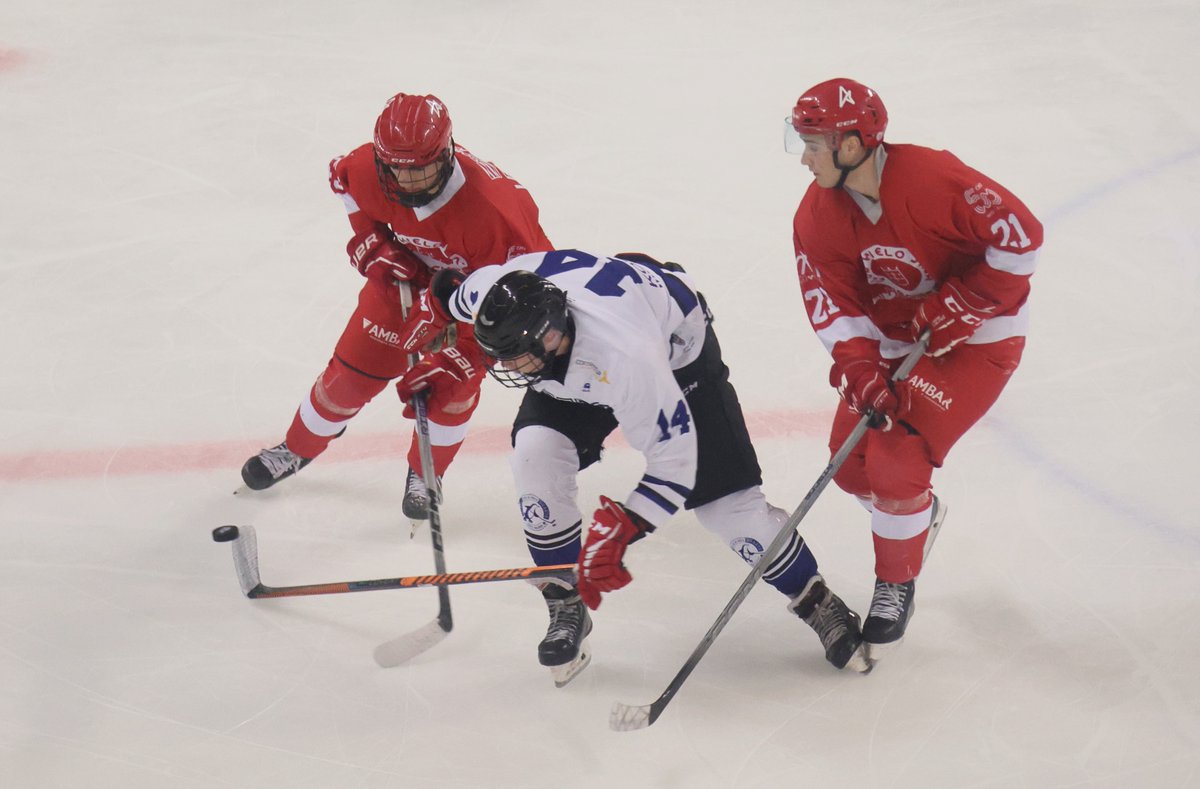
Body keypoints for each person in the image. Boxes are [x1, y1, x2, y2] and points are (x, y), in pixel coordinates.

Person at [395, 249, 869, 686]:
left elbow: (674, 463)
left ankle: (816, 601)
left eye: (518, 357)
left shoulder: (630, 358)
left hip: (677, 361)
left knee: (729, 512)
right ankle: (565, 601)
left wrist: (624, 529)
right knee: (534, 456)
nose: (513, 368)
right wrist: (438, 330)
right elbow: (449, 287)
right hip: (580, 359)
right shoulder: (499, 296)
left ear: (550, 333)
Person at [783, 78, 1043, 664]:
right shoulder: (817, 216)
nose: (804, 157)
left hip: (978, 341)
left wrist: (969, 301)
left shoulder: (932, 179)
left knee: (897, 456)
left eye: (815, 143)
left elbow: (1021, 239)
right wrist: (858, 365)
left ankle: (896, 581)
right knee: (852, 469)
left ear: (853, 144)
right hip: (896, 340)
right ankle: (917, 516)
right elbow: (830, 299)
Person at [240, 93, 552, 524]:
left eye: (421, 169)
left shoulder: (497, 213)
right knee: (345, 383)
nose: (408, 182)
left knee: (452, 392)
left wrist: (467, 352)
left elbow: (528, 298)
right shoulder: (368, 167)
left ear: (446, 153)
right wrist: (371, 242)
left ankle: (426, 476)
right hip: (399, 289)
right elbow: (342, 182)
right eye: (398, 170)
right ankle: (296, 449)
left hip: (473, 310)